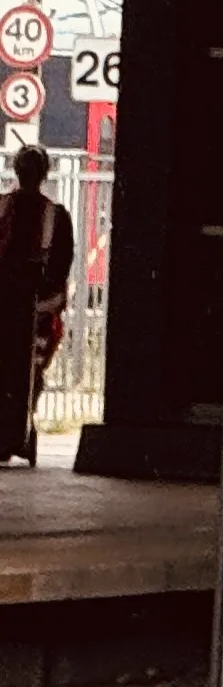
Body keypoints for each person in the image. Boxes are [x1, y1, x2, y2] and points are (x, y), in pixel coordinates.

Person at [0, 147, 69, 466]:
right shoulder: (55, 215)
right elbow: (61, 266)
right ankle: (21, 429)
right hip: (36, 311)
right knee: (32, 370)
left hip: (13, 307)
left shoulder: (3, 207)